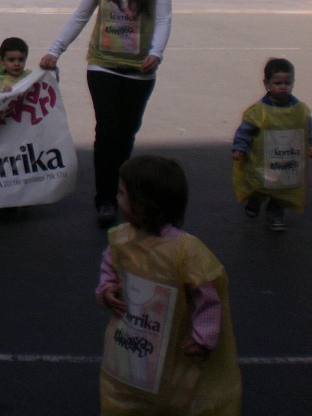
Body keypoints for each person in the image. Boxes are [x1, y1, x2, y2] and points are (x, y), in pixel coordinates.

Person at [39, 0, 172, 229]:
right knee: (107, 132)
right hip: (102, 66)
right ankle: (106, 199)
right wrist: (55, 50)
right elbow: (80, 15)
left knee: (126, 135)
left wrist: (156, 53)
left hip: (139, 71)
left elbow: (164, 19)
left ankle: (121, 189)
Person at [97, 155, 241, 415]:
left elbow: (208, 295)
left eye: (122, 193)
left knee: (173, 389)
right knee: (131, 388)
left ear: (143, 205)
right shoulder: (122, 239)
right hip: (132, 339)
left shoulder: (185, 251)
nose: (117, 199)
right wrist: (107, 289)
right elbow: (110, 266)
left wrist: (203, 338)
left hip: (174, 345)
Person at [232, 58, 312, 232]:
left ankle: (275, 215)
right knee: (260, 186)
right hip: (263, 161)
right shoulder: (259, 111)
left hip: (287, 159)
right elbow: (245, 131)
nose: (283, 87)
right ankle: (255, 201)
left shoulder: (299, 110)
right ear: (267, 84)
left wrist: (311, 144)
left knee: (283, 188)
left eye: (288, 83)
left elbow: (308, 128)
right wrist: (240, 148)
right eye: (278, 83)